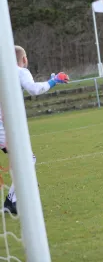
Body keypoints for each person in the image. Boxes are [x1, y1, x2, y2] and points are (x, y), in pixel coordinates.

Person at [0, 46, 69, 215]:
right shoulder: (20, 71)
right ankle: (12, 200)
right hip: (4, 126)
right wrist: (54, 81)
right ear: (24, 59)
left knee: (24, 160)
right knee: (26, 160)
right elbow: (34, 89)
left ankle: (14, 198)